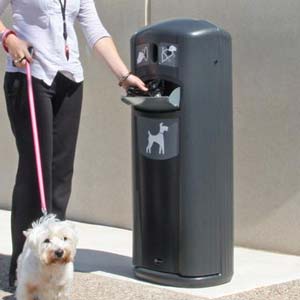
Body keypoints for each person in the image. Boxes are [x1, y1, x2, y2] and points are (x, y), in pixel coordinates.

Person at [0, 0, 147, 287]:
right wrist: (9, 37)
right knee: (35, 172)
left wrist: (124, 75)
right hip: (29, 75)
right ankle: (23, 268)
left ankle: (52, 263)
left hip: (70, 80)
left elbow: (95, 31)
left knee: (61, 174)